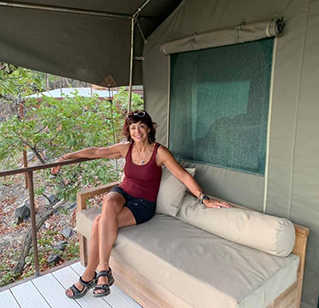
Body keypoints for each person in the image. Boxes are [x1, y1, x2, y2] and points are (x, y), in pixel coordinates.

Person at [51, 110, 230, 299]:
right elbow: (96, 151)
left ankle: (89, 276)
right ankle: (103, 270)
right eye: (133, 127)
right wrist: (66, 157)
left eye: (141, 126)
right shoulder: (125, 149)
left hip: (143, 203)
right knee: (109, 200)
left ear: (149, 129)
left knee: (99, 222)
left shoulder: (159, 152)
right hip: (123, 193)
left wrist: (204, 198)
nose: (137, 131)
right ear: (129, 130)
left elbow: (183, 175)